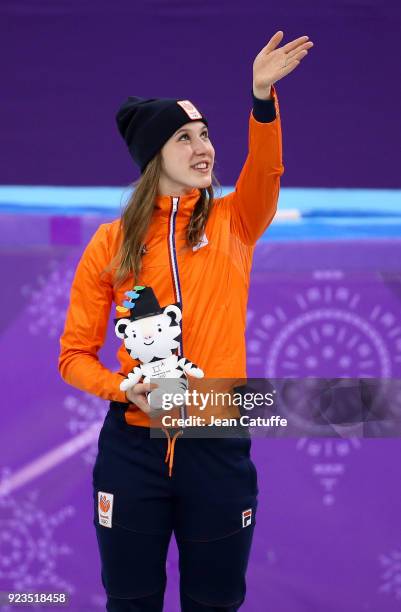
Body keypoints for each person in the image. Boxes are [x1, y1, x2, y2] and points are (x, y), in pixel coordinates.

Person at [59, 30, 313, 612]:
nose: (204, 148)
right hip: (131, 449)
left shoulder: (235, 222)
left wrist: (261, 96)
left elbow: (266, 170)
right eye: (183, 138)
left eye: (205, 135)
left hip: (216, 443)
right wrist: (122, 388)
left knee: (216, 603)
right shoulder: (110, 243)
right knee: (131, 601)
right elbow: (73, 355)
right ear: (155, 156)